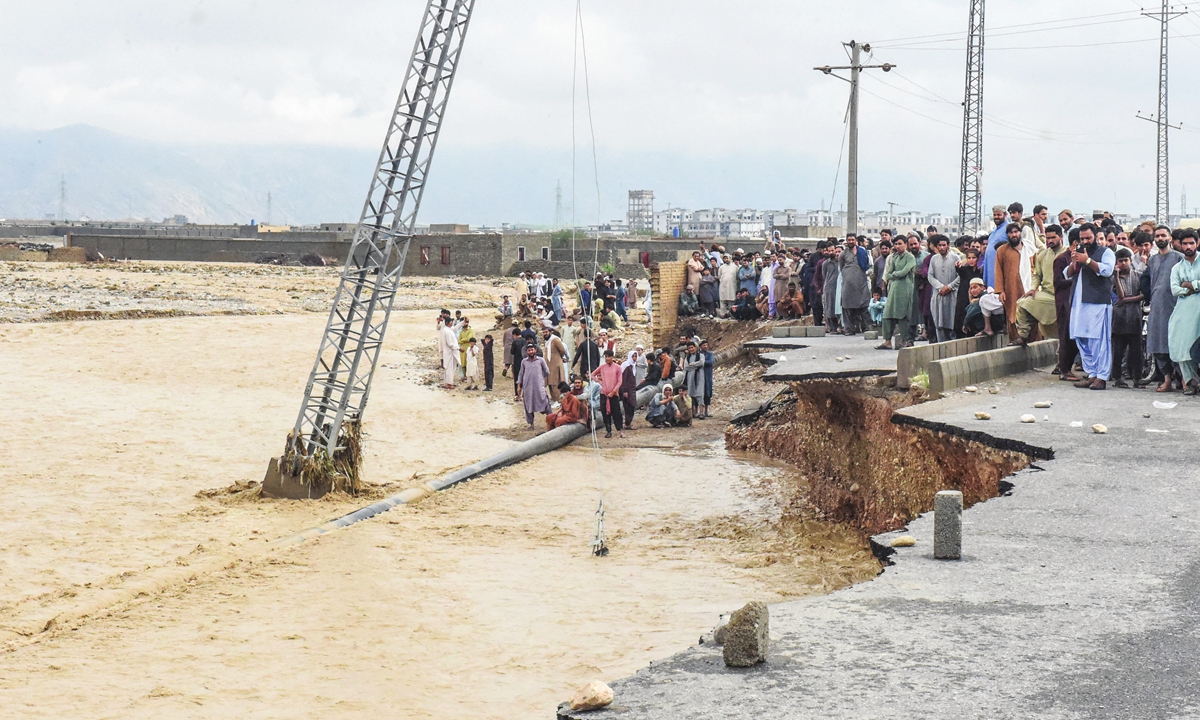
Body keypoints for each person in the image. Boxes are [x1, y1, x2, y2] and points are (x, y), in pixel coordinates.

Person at [1065, 224, 1116, 390]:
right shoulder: (1079, 252)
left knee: (1099, 340)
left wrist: (1087, 260)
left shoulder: (1105, 252)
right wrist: (1075, 262)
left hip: (1098, 303)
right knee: (1081, 338)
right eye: (1082, 239)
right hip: (1079, 302)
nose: (1085, 241)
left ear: (1095, 236)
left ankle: (1101, 377)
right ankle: (1092, 373)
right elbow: (1067, 273)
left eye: (1088, 238)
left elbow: (1107, 271)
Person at [1146, 225, 1185, 391]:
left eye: (1163, 235)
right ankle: (1167, 380)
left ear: (1170, 238)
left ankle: (1184, 380)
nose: (1160, 238)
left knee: (1177, 345)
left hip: (1175, 307)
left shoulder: (1179, 258)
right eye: (1157, 236)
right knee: (1158, 344)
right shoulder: (1152, 260)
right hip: (1157, 307)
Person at [1013, 224, 1065, 347]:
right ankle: (1023, 336)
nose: (1050, 241)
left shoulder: (1067, 254)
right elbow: (1037, 275)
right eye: (1048, 238)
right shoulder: (1042, 255)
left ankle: (1063, 361)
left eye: (1053, 238)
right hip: (1047, 294)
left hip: (1064, 295)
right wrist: (1032, 288)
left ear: (1061, 237)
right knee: (1023, 303)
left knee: (1064, 330)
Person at [1168, 230, 1200, 394]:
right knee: (1183, 345)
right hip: (1184, 312)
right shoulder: (1177, 268)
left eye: (1191, 243)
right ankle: (1191, 382)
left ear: (1197, 243)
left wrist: (1192, 285)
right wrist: (1190, 289)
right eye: (1185, 244)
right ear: (1180, 245)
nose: (1188, 247)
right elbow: (1174, 289)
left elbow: (1185, 286)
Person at [1110, 247, 1144, 388]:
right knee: (1118, 350)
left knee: (1136, 351)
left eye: (1126, 260)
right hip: (1118, 318)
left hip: (1134, 317)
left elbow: (1144, 295)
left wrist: (1128, 300)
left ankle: (1137, 378)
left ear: (1131, 261)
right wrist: (1117, 277)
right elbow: (1120, 296)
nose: (1123, 263)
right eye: (1120, 261)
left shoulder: (1138, 275)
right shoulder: (1112, 278)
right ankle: (1117, 378)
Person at [1054, 228, 1081, 380]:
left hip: (1075, 303)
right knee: (1065, 337)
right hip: (1065, 303)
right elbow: (1058, 282)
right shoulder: (1061, 260)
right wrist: (1074, 279)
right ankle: (1065, 370)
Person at [877, 239, 914, 349]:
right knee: (887, 315)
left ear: (906, 245)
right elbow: (888, 274)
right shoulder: (894, 257)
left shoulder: (910, 257)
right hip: (893, 289)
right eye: (896, 244)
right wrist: (895, 274)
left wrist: (895, 274)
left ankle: (905, 340)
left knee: (902, 316)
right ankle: (887, 341)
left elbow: (904, 272)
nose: (897, 246)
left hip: (905, 289)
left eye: (900, 244)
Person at [993, 223, 1027, 340]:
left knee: (1031, 314)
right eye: (1011, 232)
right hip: (1011, 290)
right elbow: (998, 271)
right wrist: (1000, 291)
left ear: (1020, 233)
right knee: (1013, 314)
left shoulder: (1029, 249)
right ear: (1007, 235)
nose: (1014, 235)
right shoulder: (1002, 251)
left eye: (1016, 232)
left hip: (1029, 289)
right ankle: (1015, 341)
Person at [926, 234, 960, 342]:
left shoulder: (955, 258)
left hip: (952, 295)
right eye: (939, 245)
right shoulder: (934, 259)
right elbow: (930, 276)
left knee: (952, 322)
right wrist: (940, 287)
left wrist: (949, 287)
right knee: (939, 323)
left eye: (944, 245)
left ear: (948, 246)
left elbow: (960, 276)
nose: (941, 247)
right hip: (938, 295)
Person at [839, 235, 871, 334]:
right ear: (846, 241)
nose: (851, 241)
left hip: (861, 282)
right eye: (849, 240)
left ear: (856, 241)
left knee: (864, 305)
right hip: (848, 284)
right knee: (847, 306)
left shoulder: (862, 251)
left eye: (853, 240)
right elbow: (841, 267)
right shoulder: (843, 254)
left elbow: (868, 265)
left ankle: (866, 327)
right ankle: (849, 329)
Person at [516, 343, 551, 429]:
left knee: (544, 401)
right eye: (529, 350)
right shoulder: (524, 362)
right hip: (528, 387)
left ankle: (552, 420)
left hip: (539, 387)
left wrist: (540, 379)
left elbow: (546, 371)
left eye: (532, 350)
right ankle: (530, 424)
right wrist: (519, 386)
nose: (531, 352)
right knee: (528, 404)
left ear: (535, 350)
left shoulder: (541, 360)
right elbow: (521, 374)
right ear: (527, 352)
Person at [591, 350, 625, 438]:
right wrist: (599, 381)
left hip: (614, 394)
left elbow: (620, 381)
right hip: (604, 394)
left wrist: (613, 391)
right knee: (605, 413)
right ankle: (608, 430)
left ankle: (620, 430)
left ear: (612, 357)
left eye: (608, 356)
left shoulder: (617, 367)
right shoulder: (602, 367)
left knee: (617, 413)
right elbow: (592, 374)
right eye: (605, 357)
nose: (607, 358)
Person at [954, 248, 983, 338]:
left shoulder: (980, 271)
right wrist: (958, 266)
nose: (971, 260)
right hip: (963, 297)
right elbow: (959, 270)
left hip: (976, 297)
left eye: (973, 258)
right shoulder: (964, 269)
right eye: (969, 258)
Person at [982, 204, 1009, 290]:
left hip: (1000, 268)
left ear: (1005, 215)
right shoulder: (994, 231)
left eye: (999, 215)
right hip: (989, 268)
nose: (996, 217)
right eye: (995, 215)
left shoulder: (1008, 229)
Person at [682, 341, 709, 420]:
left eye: (692, 347)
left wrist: (692, 364)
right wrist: (695, 365)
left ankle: (701, 412)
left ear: (695, 347)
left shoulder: (701, 355)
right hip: (690, 378)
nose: (691, 349)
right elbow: (686, 367)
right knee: (691, 395)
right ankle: (693, 413)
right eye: (689, 348)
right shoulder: (687, 357)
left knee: (700, 394)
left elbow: (701, 363)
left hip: (699, 377)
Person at [543, 327, 569, 401]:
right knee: (550, 382)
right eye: (544, 332)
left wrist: (558, 357)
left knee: (555, 383)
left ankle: (558, 399)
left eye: (546, 332)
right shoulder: (547, 341)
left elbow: (562, 350)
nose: (545, 334)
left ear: (550, 332)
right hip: (548, 365)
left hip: (555, 365)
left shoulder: (555, 340)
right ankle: (553, 398)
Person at [619, 351, 639, 430]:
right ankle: (627, 423)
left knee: (632, 406)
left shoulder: (633, 366)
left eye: (635, 356)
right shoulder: (626, 366)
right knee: (628, 406)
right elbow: (624, 379)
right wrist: (624, 391)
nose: (634, 358)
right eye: (633, 356)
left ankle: (628, 422)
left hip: (632, 389)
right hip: (627, 390)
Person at [439, 315, 459, 388]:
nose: (452, 323)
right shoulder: (446, 331)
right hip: (450, 352)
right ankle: (449, 384)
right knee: (450, 368)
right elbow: (450, 344)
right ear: (448, 323)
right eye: (451, 322)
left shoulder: (448, 329)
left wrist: (463, 322)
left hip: (450, 352)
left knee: (449, 367)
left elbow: (455, 328)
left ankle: (448, 382)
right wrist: (458, 348)